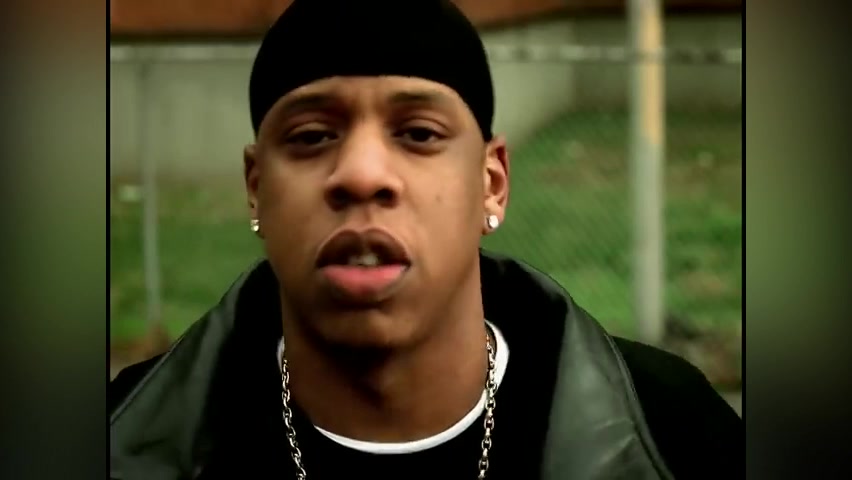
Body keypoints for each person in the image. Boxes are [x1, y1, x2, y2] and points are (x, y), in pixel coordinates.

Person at [109, 1, 742, 479]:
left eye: (418, 134)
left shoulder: (672, 434)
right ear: (256, 189)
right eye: (310, 137)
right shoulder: (124, 433)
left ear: (491, 184)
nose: (362, 175)